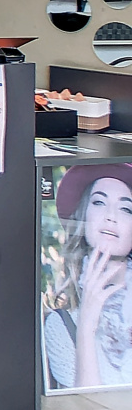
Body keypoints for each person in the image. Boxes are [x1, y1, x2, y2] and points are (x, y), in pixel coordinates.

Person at [44, 165, 132, 389]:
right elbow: (87, 408)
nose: (111, 216)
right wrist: (86, 324)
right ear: (83, 216)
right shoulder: (60, 326)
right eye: (99, 202)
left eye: (126, 208)